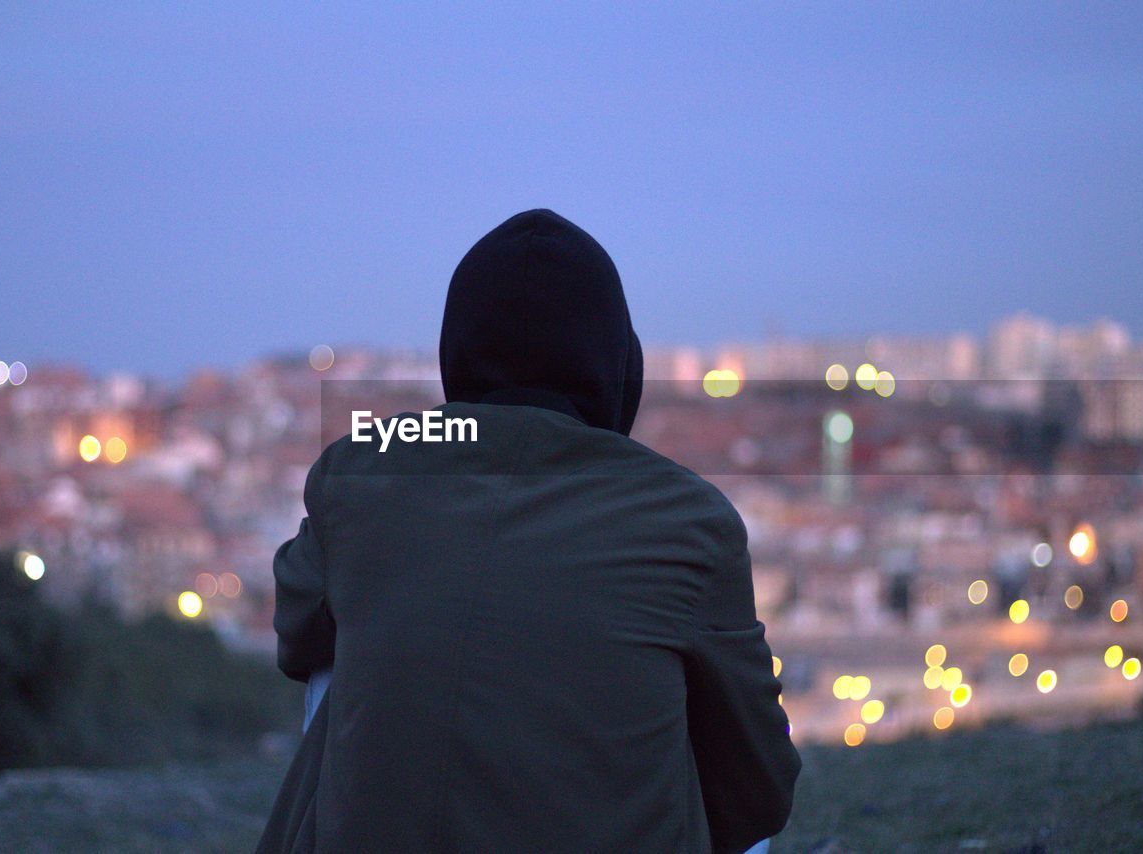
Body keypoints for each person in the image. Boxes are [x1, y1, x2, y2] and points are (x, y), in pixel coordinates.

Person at [258, 209, 800, 853]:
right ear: (619, 363)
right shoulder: (687, 514)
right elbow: (760, 785)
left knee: (339, 626)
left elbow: (296, 640)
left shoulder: (364, 468)